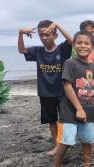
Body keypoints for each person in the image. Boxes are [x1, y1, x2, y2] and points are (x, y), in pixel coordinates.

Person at [52, 31, 94, 167]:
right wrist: (78, 108)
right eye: (79, 43)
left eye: (86, 43)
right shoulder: (70, 63)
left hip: (90, 109)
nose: (82, 46)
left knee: (87, 140)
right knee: (66, 141)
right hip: (70, 111)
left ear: (92, 47)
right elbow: (67, 85)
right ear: (74, 45)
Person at [18, 20, 72, 156]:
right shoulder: (38, 51)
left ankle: (63, 143)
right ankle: (57, 145)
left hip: (62, 91)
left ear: (55, 36)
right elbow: (22, 50)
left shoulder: (62, 50)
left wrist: (58, 25)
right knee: (51, 120)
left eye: (48, 34)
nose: (44, 38)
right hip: (45, 92)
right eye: (42, 35)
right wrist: (20, 34)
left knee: (64, 120)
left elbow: (72, 41)